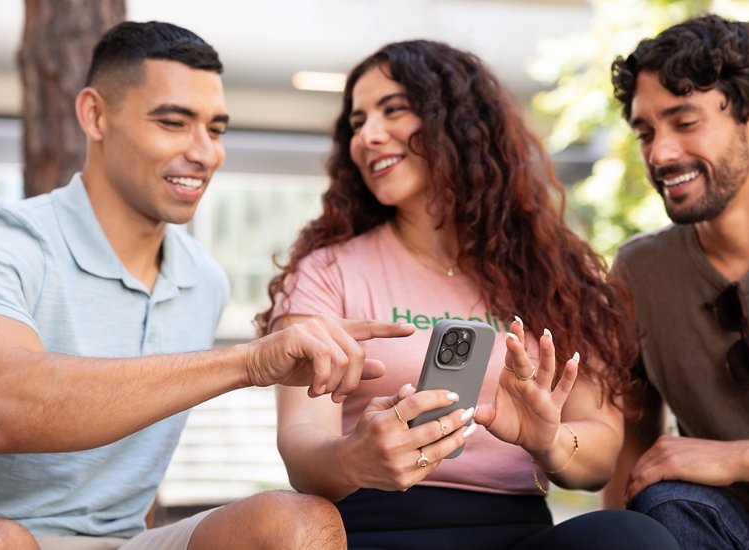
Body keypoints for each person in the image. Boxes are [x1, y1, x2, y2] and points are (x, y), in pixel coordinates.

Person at [0, 21, 415, 550]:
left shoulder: (203, 281)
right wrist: (249, 362)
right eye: (173, 122)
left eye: (215, 130)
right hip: (8, 533)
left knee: (299, 522)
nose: (205, 153)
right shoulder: (10, 244)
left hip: (125, 542)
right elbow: (5, 407)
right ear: (95, 115)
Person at [256, 39, 681, 549]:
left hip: (515, 531)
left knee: (630, 537)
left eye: (393, 110)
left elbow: (597, 458)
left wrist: (548, 440)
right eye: (356, 122)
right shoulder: (326, 271)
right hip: (370, 528)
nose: (368, 135)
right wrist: (354, 457)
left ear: (459, 123)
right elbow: (302, 446)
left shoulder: (556, 276)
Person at [603, 13, 749, 549]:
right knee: (664, 501)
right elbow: (633, 446)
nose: (660, 154)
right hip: (733, 532)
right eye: (646, 132)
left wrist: (733, 457)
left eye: (684, 122)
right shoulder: (639, 272)